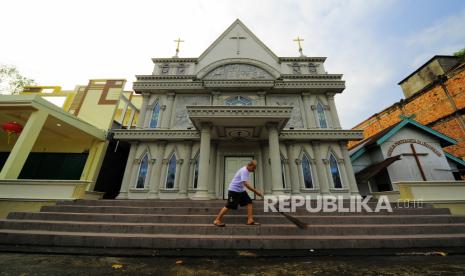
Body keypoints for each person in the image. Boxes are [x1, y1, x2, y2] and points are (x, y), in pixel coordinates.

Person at [213, 160, 263, 227]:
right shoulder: (244, 171)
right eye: (253, 168)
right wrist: (256, 191)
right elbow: (246, 184)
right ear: (249, 166)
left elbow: (244, 183)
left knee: (249, 202)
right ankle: (217, 220)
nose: (254, 170)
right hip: (233, 190)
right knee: (229, 205)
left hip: (241, 191)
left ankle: (250, 220)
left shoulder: (247, 170)